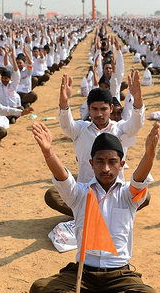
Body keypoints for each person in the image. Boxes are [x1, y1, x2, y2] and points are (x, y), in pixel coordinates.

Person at [29, 123, 160, 293]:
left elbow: (139, 179)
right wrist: (49, 152)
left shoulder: (128, 195)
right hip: (84, 274)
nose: (106, 168)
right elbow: (63, 178)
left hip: (119, 275)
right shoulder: (79, 194)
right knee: (40, 289)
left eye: (112, 162)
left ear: (122, 164)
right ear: (91, 163)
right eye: (100, 161)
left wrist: (149, 156)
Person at [44, 72, 145, 216]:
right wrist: (64, 103)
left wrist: (138, 100)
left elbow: (137, 124)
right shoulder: (80, 129)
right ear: (88, 108)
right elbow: (66, 124)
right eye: (94, 109)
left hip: (115, 194)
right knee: (52, 194)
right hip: (86, 192)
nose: (99, 114)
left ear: (111, 108)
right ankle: (92, 213)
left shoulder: (120, 129)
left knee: (144, 195)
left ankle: (96, 214)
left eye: (103, 109)